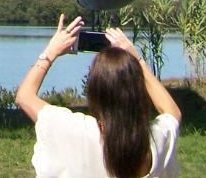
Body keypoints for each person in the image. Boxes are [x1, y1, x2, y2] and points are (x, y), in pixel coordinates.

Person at [15, 15, 181, 177]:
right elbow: (172, 112)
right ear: (137, 92)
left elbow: (25, 97)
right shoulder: (155, 140)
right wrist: (136, 59)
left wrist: (50, 52)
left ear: (94, 92)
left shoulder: (72, 129)